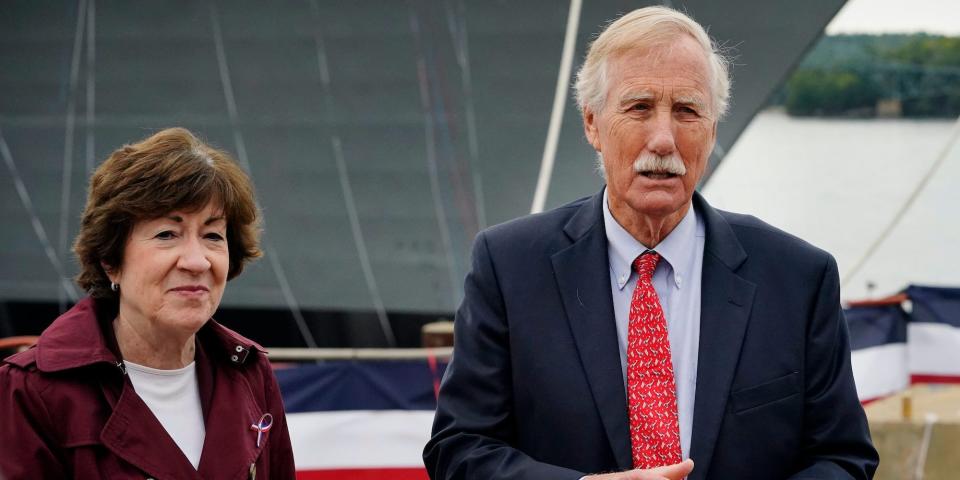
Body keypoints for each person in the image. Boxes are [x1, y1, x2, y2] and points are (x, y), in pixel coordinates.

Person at [424, 6, 878, 480]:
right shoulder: (509, 267)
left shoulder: (798, 278)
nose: (664, 140)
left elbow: (844, 460)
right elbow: (459, 449)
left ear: (712, 130)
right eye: (639, 107)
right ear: (592, 124)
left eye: (687, 111)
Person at [0, 128, 295, 479]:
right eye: (167, 235)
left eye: (212, 235)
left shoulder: (250, 372)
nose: (197, 261)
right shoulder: (31, 390)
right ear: (111, 260)